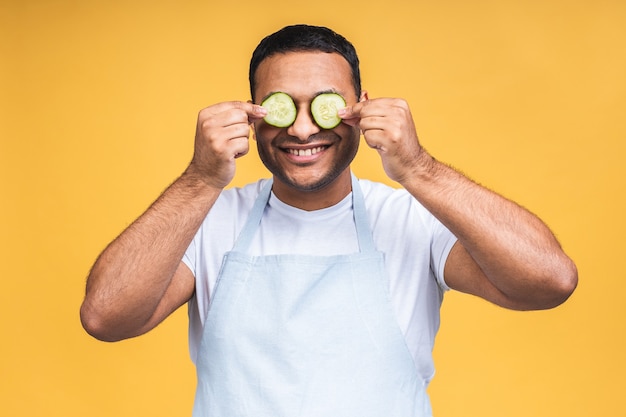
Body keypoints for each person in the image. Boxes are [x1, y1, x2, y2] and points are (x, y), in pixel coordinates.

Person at [80, 24, 578, 416]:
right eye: (280, 108)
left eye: (323, 106)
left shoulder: (410, 218)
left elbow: (549, 282)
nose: (300, 128)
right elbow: (106, 318)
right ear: (252, 114)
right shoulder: (207, 219)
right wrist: (200, 179)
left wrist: (418, 167)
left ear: (360, 107)